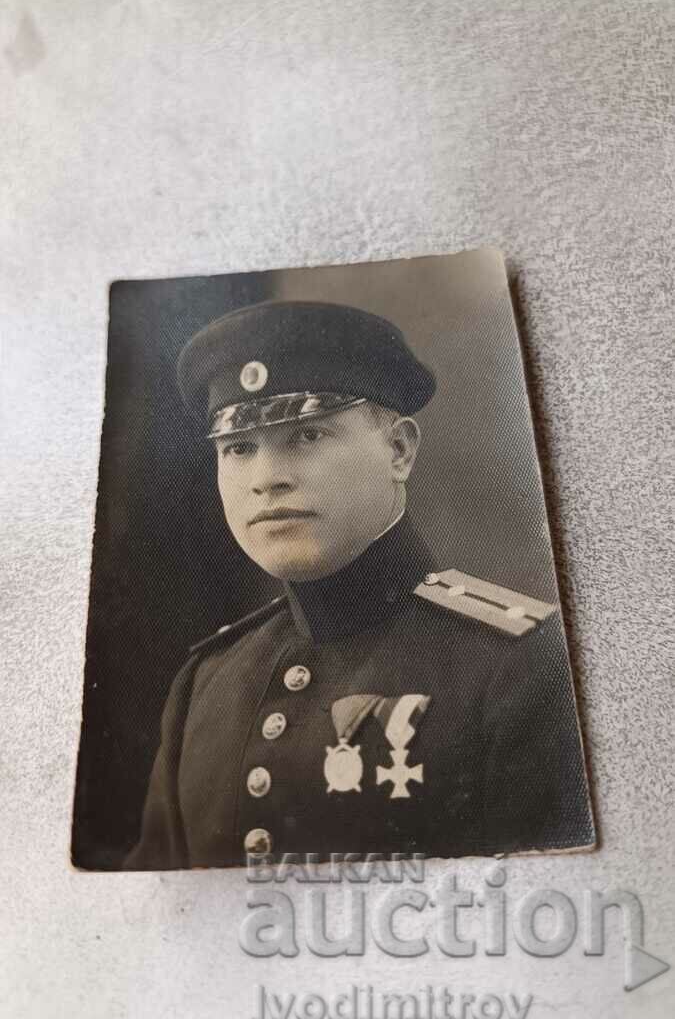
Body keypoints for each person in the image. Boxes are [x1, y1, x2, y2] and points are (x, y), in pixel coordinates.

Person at [125, 299, 594, 869]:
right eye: (239, 447)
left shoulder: (524, 665)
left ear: (399, 450)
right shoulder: (206, 683)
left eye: (307, 436)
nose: (267, 479)